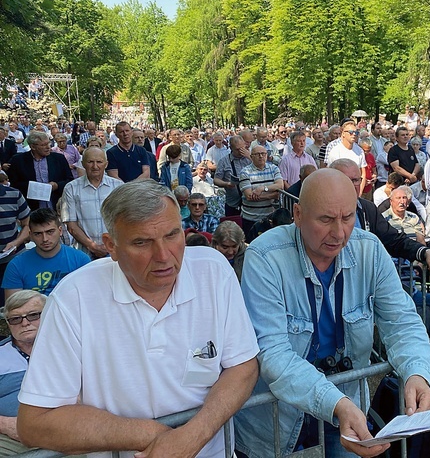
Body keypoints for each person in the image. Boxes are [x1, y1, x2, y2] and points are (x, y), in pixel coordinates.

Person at [16, 180, 259, 458]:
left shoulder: (214, 272)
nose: (164, 256)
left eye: (171, 235)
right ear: (112, 246)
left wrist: (194, 435)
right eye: (142, 242)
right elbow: (35, 421)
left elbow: (243, 365)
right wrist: (159, 437)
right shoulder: (73, 297)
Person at [234, 169, 430, 457]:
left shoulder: (370, 249)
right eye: (326, 220)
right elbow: (272, 352)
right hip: (278, 414)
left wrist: (417, 373)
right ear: (298, 214)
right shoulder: (265, 256)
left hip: (346, 404)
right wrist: (336, 403)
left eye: (348, 217)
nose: (339, 233)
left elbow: (401, 322)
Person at [330, 159, 430, 274]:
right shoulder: (320, 211)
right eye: (346, 180)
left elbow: (393, 239)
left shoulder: (367, 209)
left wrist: (424, 252)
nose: (352, 185)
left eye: (356, 180)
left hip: (364, 277)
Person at [1, 208, 90, 300]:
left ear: (60, 231)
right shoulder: (16, 265)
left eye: (50, 232)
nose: (45, 239)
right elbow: (14, 308)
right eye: (38, 234)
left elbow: (88, 297)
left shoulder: (81, 260)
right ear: (30, 235)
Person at [0, 291, 46, 457]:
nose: (25, 323)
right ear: (8, 324)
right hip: (9, 438)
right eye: (15, 319)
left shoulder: (73, 347)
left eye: (33, 315)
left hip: (67, 431)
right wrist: (5, 425)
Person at [62, 147, 123, 259]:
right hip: (83, 253)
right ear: (83, 164)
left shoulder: (118, 187)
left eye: (99, 162)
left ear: (106, 164)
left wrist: (110, 244)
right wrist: (92, 246)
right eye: (90, 162)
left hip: (114, 250)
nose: (95, 166)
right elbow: (71, 224)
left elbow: (125, 220)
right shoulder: (71, 188)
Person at [7, 131, 73, 210]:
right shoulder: (18, 161)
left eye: (48, 143)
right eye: (43, 145)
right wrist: (33, 188)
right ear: (33, 147)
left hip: (56, 208)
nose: (48, 147)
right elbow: (14, 185)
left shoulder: (59, 159)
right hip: (31, 209)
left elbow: (70, 181)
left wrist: (57, 185)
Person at [238, 145, 283, 238]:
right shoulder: (245, 172)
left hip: (270, 217)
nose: (261, 156)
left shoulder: (274, 168)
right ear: (251, 157)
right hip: (251, 218)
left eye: (263, 154)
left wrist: (262, 188)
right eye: (257, 154)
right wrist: (272, 195)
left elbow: (280, 185)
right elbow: (249, 196)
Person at [214, 136, 251, 217]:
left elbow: (262, 168)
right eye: (238, 149)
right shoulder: (223, 161)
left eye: (243, 148)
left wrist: (250, 156)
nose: (241, 151)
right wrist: (226, 184)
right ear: (231, 148)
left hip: (250, 203)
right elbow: (216, 180)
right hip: (233, 204)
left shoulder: (250, 157)